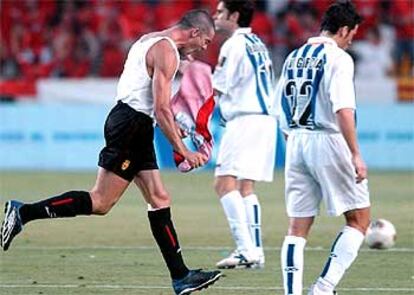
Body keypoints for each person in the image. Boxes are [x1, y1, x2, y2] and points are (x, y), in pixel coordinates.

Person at [0, 9, 222, 295]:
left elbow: (151, 103)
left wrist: (171, 129)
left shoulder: (150, 40)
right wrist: (184, 151)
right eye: (205, 41)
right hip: (132, 124)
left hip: (131, 121)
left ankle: (181, 277)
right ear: (194, 32)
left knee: (159, 198)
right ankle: (23, 212)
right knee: (101, 201)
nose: (205, 47)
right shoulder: (166, 51)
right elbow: (161, 108)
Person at [276, 2, 371, 294]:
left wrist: (294, 145)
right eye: (351, 33)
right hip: (328, 140)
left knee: (297, 227)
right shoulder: (339, 59)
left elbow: (280, 107)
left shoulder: (294, 56)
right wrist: (355, 153)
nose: (351, 39)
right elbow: (343, 110)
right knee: (359, 219)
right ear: (343, 30)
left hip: (296, 141)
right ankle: (323, 287)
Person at [212, 0, 278, 269]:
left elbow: (218, 87)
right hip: (264, 119)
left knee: (222, 183)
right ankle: (256, 252)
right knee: (245, 187)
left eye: (220, 12)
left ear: (234, 15)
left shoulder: (233, 45)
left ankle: (245, 249)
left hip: (244, 120)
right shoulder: (257, 43)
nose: (215, 16)